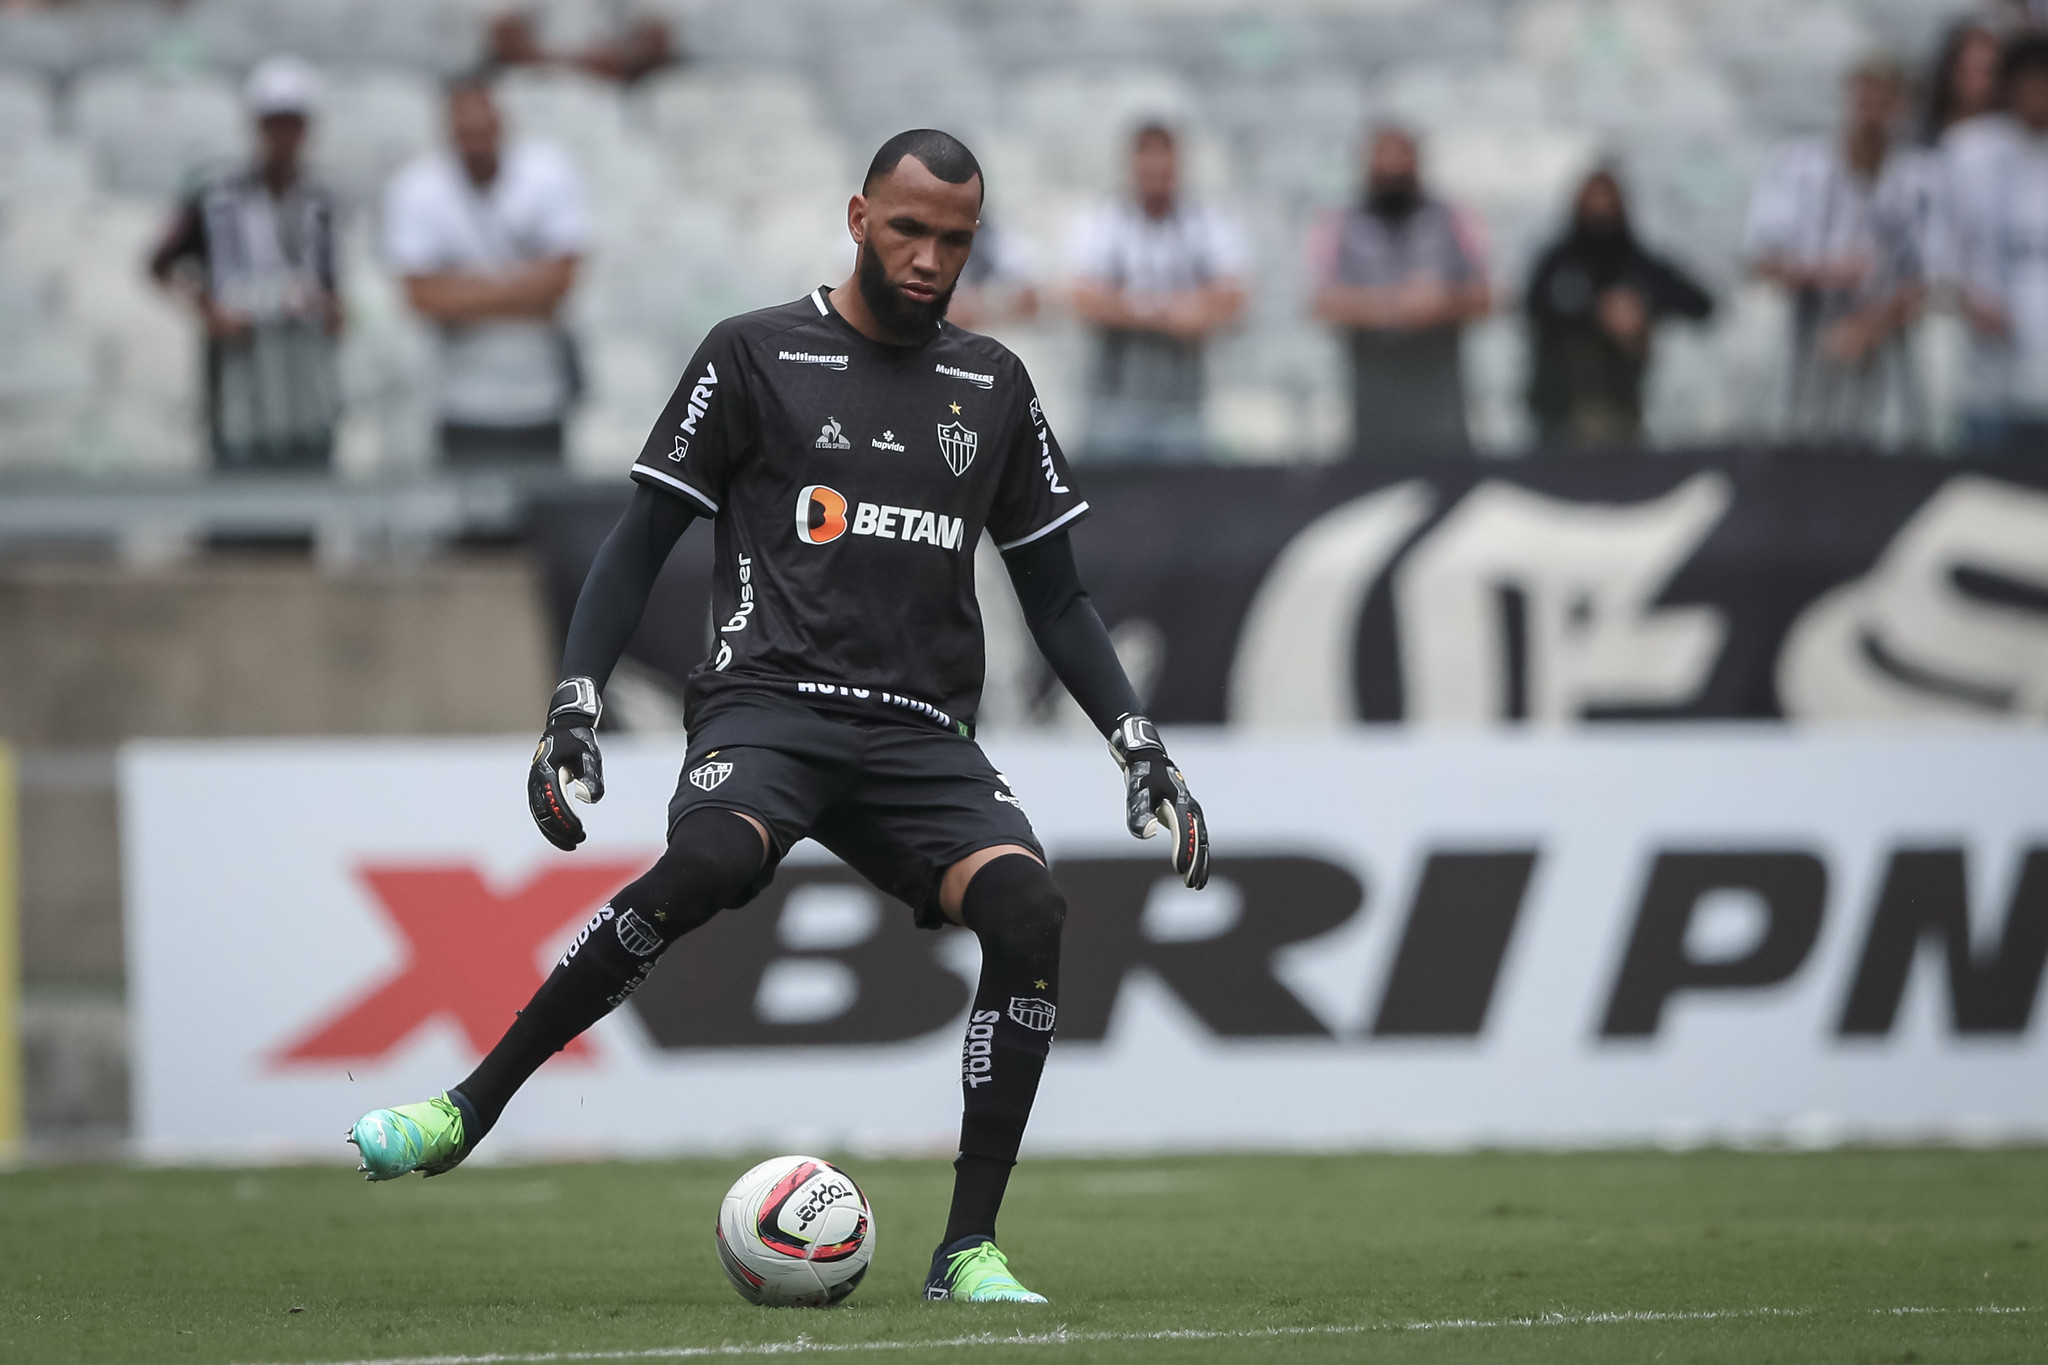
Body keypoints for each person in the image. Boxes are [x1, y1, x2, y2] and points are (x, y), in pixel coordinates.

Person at [346, 130, 1211, 1306]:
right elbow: (641, 536)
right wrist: (574, 697)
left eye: (953, 240)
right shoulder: (754, 352)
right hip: (771, 705)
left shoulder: (993, 384)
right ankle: (465, 1109)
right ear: (857, 217)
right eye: (908, 230)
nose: (928, 259)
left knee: (1029, 905)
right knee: (706, 859)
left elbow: (1054, 594)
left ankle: (966, 1251)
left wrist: (1134, 739)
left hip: (919, 734)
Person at [383, 77, 590, 468]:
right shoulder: (417, 188)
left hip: (540, 393)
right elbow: (419, 297)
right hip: (459, 398)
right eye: (466, 135)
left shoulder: (548, 173)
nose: (477, 146)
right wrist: (526, 290)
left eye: (485, 132)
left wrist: (458, 291)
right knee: (469, 522)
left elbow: (563, 283)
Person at [149, 55, 341, 472]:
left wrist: (331, 308)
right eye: (274, 122)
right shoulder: (215, 196)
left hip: (301, 359)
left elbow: (330, 280)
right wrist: (206, 309)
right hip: (239, 356)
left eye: (293, 122)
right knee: (236, 461)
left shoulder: (321, 200)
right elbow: (160, 264)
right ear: (257, 125)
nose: (283, 134)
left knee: (305, 466)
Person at [1743, 56, 1940, 444]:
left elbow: (1937, 275)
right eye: (1865, 100)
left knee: (1938, 332)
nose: (1872, 114)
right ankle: (1763, 435)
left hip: (1890, 330)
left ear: (1903, 108)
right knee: (1760, 320)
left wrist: (1870, 324)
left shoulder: (1923, 177)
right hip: (1805, 322)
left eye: (1885, 103)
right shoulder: (1795, 164)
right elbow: (1761, 260)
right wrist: (1824, 273)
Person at [1068, 123, 1248, 462]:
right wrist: (1166, 313)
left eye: (1163, 159)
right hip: (1113, 405)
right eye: (1146, 158)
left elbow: (1234, 300)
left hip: (1185, 406)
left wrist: (1124, 304)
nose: (1155, 171)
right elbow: (1083, 299)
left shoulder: (1206, 220)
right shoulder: (1105, 219)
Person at [1309, 125, 1491, 457]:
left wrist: (1441, 302)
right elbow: (1320, 303)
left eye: (1400, 158)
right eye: (1383, 159)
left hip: (1441, 405)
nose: (1392, 169)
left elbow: (1489, 296)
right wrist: (1389, 305)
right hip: (1373, 406)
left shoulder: (1452, 218)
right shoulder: (1340, 223)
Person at [1525, 169, 1714, 450]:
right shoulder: (1558, 262)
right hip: (1559, 410)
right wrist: (1598, 313)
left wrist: (1644, 308)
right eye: (1592, 201)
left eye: (1607, 201)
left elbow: (1702, 305)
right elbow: (1532, 307)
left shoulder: (1638, 264)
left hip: (1622, 411)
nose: (1599, 210)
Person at [1942, 34, 2048, 453]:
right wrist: (1967, 300)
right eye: (2030, 83)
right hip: (1991, 374)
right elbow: (1941, 246)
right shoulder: (1968, 149)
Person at [1922, 21, 2004, 144]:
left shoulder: (2009, 139)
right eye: (1965, 70)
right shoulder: (1923, 131)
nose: (1974, 81)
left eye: (1984, 72)